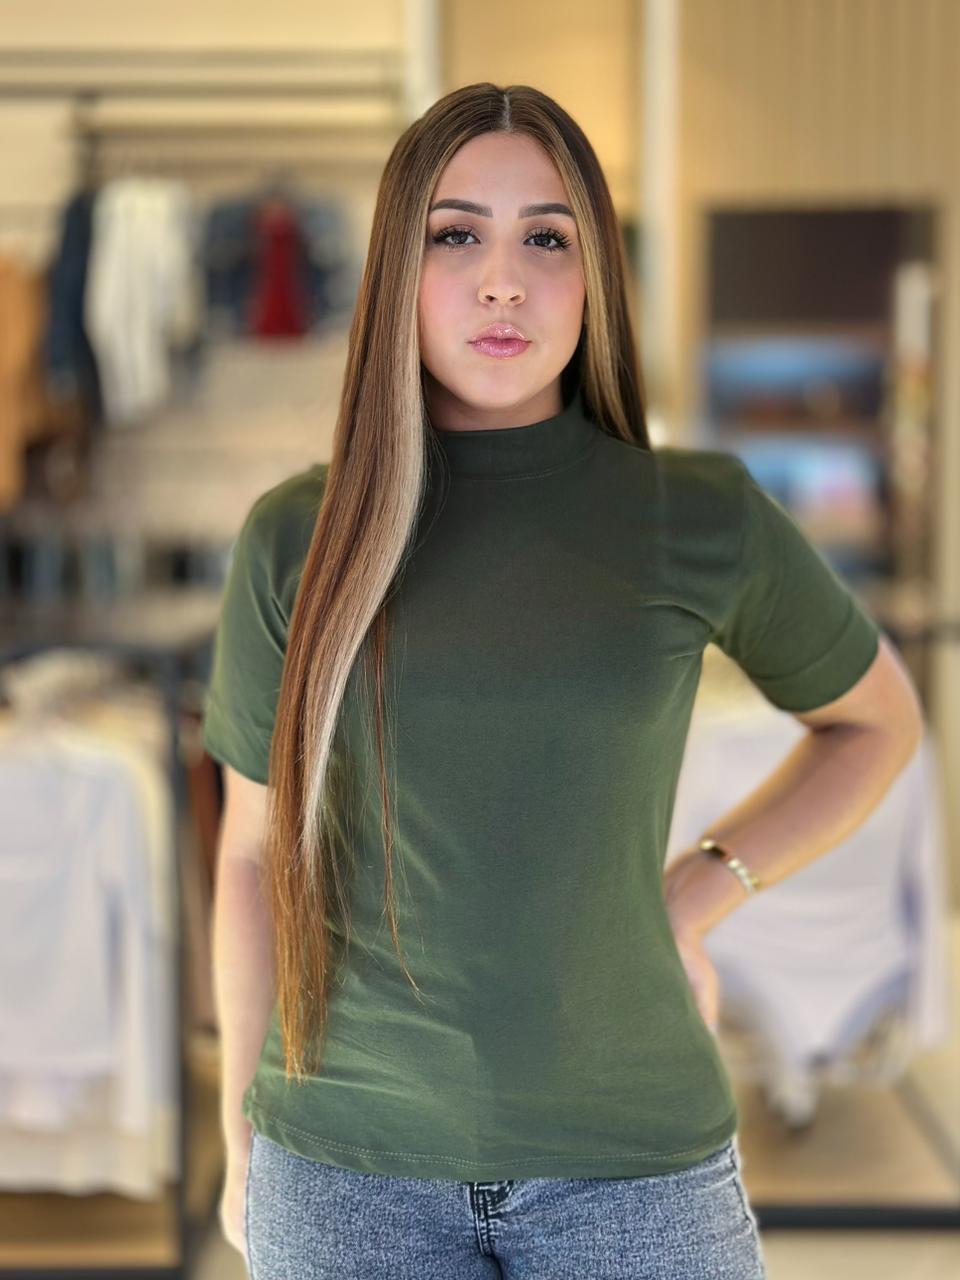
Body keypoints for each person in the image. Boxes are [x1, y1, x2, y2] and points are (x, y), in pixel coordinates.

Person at [203, 82, 925, 1279]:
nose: (504, 281)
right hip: (345, 1171)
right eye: (456, 235)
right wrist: (240, 1128)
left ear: (596, 277)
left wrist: (699, 888)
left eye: (547, 238)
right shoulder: (298, 537)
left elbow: (876, 722)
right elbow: (249, 852)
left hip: (637, 1172)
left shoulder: (694, 515)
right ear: (396, 271)